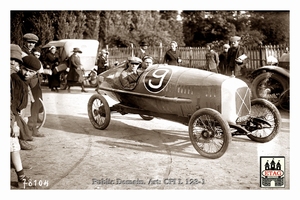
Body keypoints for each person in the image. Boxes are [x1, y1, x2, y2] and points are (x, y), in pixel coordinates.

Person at [10, 44, 33, 188]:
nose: (12, 64)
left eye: (16, 61)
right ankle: (21, 177)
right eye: (9, 60)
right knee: (13, 146)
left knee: (13, 146)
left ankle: (20, 175)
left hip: (12, 116)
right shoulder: (10, 78)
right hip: (9, 118)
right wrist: (12, 123)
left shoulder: (16, 79)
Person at [20, 55, 45, 137]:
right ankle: (26, 129)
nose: (31, 44)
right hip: (26, 78)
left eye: (33, 43)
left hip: (34, 80)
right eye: (30, 42)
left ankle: (32, 127)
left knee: (35, 104)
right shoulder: (23, 51)